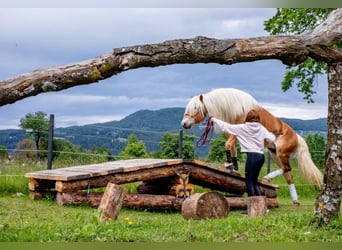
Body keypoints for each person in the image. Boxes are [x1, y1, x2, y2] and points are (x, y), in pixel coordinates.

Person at [210, 109, 276, 197]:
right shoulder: (261, 128)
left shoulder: (243, 127)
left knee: (249, 182)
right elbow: (272, 138)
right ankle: (262, 206)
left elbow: (226, 127)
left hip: (252, 157)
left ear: (248, 118)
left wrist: (214, 119)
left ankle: (252, 207)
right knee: (254, 181)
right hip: (261, 156)